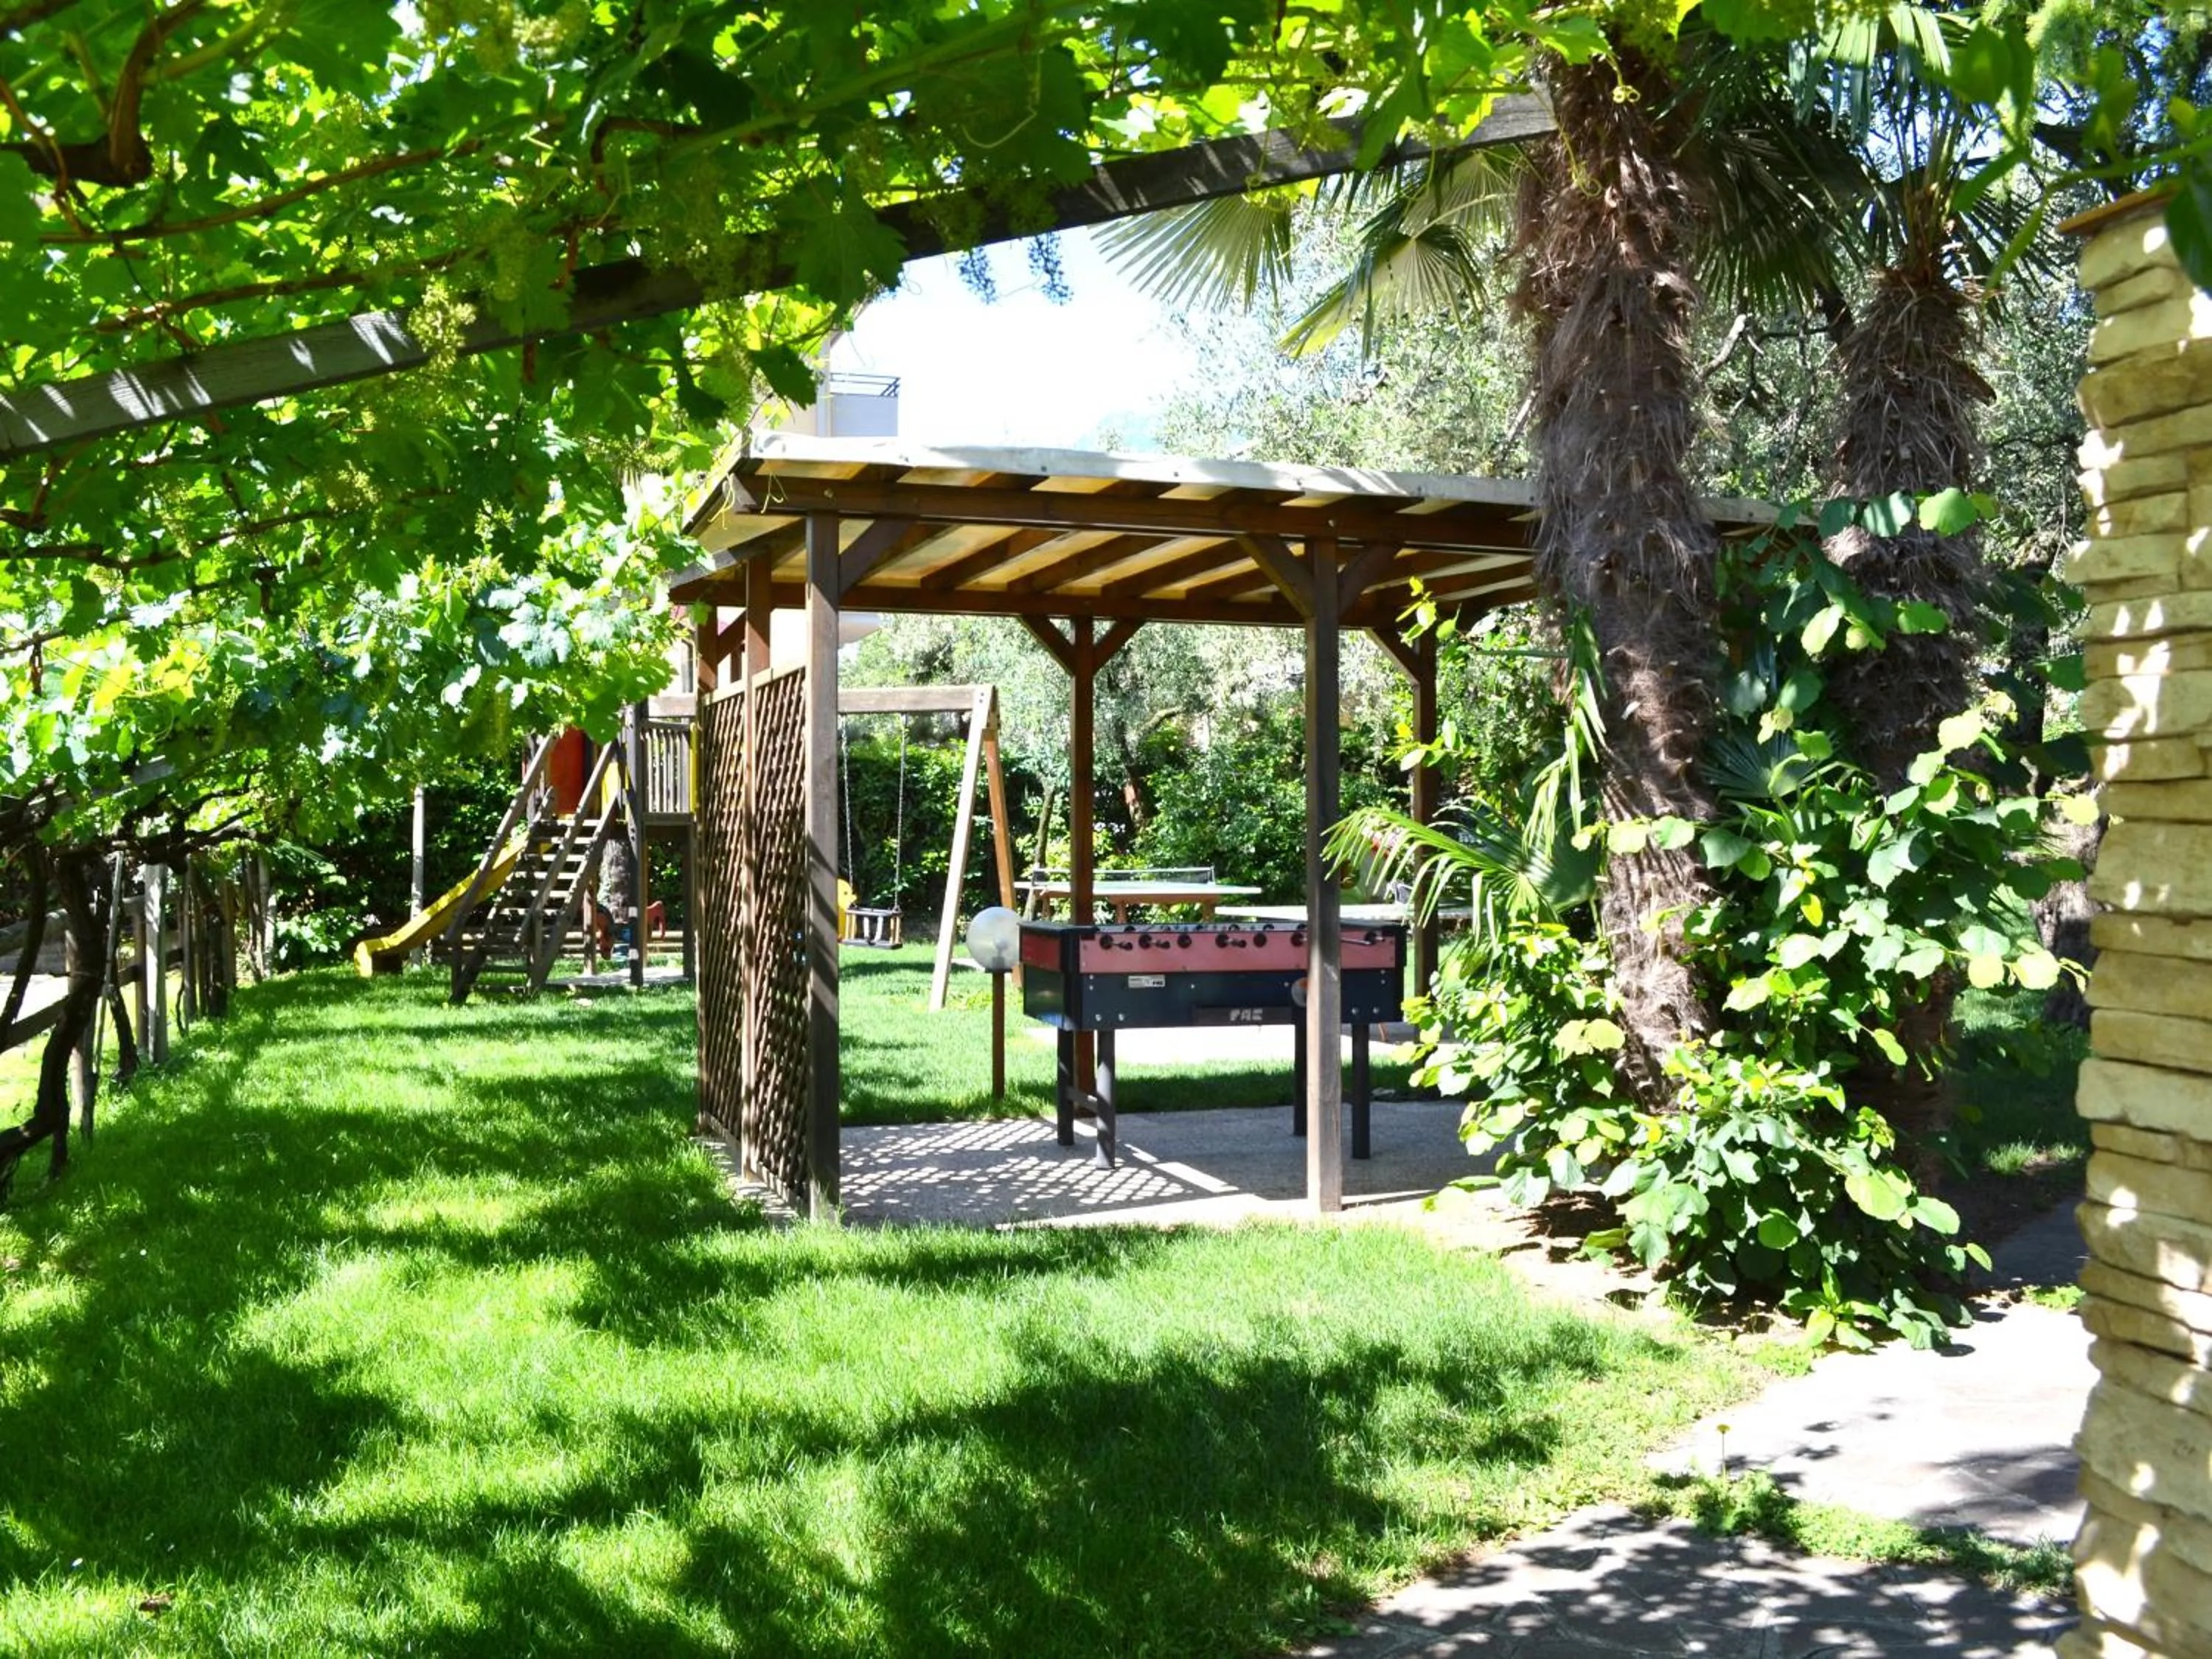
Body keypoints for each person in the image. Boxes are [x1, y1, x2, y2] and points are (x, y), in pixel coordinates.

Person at [597, 836, 635, 964]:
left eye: (605, 948)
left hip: (608, 905)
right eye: (607, 948)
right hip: (613, 909)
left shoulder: (601, 927)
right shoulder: (608, 931)